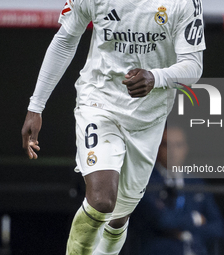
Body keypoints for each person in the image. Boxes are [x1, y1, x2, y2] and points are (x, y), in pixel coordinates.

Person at [21, 0, 205, 254]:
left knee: (119, 217)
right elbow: (65, 39)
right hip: (99, 103)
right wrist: (36, 106)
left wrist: (155, 77)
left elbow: (193, 66)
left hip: (149, 119)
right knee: (102, 200)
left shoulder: (182, 3)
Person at [132, 126, 224, 255]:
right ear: (157, 147)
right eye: (166, 145)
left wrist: (186, 234)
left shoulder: (196, 182)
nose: (172, 151)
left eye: (178, 145)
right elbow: (162, 220)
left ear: (186, 148)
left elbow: (218, 227)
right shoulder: (145, 181)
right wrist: (195, 219)